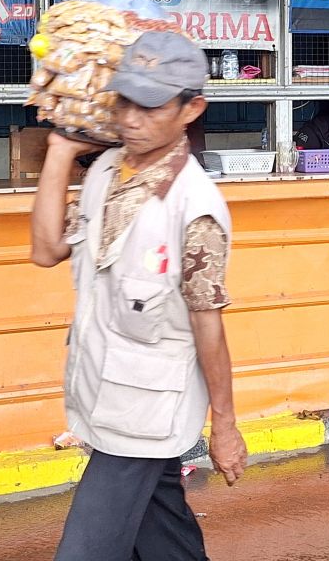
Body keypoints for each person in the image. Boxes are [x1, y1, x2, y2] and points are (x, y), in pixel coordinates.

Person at [30, 31, 247, 561]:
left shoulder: (195, 210)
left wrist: (225, 425)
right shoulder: (106, 169)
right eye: (124, 99)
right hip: (100, 390)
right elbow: (44, 249)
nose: (130, 118)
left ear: (191, 108)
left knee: (83, 551)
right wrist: (60, 151)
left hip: (148, 412)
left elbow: (208, 325)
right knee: (163, 534)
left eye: (150, 106)